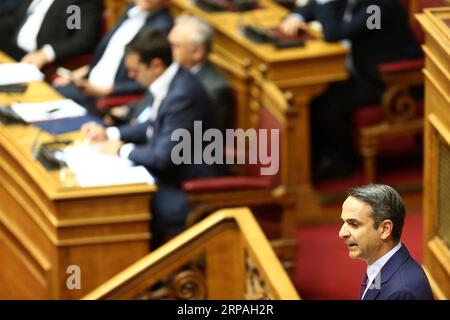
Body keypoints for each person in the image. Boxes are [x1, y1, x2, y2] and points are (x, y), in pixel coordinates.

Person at [81, 28, 220, 248]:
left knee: (117, 203)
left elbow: (162, 157)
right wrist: (110, 133)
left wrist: (120, 149)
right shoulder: (170, 81)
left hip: (186, 188)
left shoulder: (182, 94)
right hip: (167, 176)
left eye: (135, 70)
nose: (131, 76)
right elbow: (153, 126)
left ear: (156, 65)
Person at [280, 0, 422, 181]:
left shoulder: (378, 8)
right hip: (358, 74)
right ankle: (318, 161)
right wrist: (296, 16)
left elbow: (334, 33)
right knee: (314, 99)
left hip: (389, 80)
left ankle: (340, 162)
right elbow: (311, 7)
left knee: (330, 108)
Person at [54, 0, 173, 115]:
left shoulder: (162, 28)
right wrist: (78, 74)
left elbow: (151, 78)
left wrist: (107, 91)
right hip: (87, 84)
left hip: (106, 97)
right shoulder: (132, 10)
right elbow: (109, 54)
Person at [339, 184, 433, 300]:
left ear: (385, 229)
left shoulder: (402, 292)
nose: (342, 233)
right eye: (343, 222)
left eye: (354, 224)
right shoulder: (381, 265)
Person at [0, 0, 103, 69]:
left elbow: (80, 40)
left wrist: (47, 53)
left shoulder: (75, 5)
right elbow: (15, 19)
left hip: (41, 63)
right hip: (12, 53)